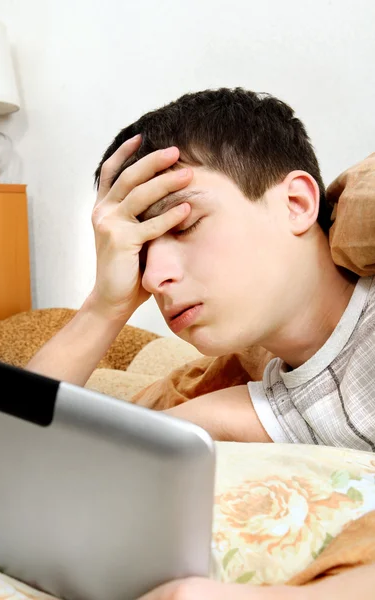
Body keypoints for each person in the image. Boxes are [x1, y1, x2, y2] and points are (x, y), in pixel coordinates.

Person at [26, 88, 375, 598]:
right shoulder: (268, 403)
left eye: (185, 223)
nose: (155, 277)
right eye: (143, 253)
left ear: (297, 203)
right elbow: (21, 449)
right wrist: (106, 305)